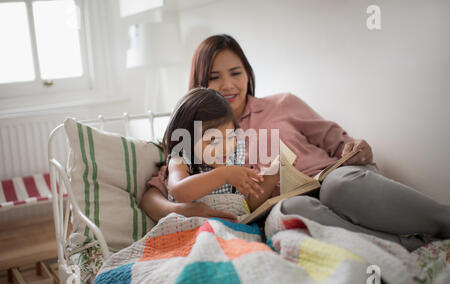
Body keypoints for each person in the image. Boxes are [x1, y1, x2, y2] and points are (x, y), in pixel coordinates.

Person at [140, 34, 450, 251]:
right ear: (199, 86)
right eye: (213, 77)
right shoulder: (190, 139)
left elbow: (340, 143)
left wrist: (355, 148)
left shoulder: (282, 103)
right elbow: (155, 195)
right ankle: (412, 245)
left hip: (333, 180)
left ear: (248, 74)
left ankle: (443, 220)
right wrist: (189, 210)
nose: (227, 85)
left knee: (337, 186)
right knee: (290, 211)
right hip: (286, 205)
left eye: (236, 72)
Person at [160, 87, 279, 219]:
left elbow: (249, 204)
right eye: (212, 140)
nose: (224, 148)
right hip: (193, 228)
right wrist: (223, 176)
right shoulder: (182, 160)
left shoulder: (231, 161)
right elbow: (179, 191)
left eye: (230, 136)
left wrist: (274, 174)